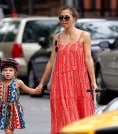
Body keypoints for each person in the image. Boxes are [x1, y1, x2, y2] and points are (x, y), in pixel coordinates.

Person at [36, 5, 97, 134]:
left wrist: (93, 81)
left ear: (74, 18)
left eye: (66, 17)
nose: (63, 20)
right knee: (66, 115)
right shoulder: (57, 38)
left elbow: (88, 59)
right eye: (61, 18)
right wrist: (41, 83)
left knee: (82, 114)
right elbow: (51, 61)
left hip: (80, 81)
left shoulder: (84, 36)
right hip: (61, 83)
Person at [0, 58, 42, 134]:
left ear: (15, 73)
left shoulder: (18, 82)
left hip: (14, 109)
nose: (8, 72)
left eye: (10, 70)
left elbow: (29, 90)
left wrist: (36, 91)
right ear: (2, 72)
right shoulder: (0, 83)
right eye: (5, 70)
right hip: (3, 109)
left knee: (8, 130)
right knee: (8, 130)